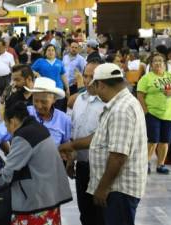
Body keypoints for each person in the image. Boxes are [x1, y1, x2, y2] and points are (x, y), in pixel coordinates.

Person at [87, 63, 148, 225]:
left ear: (101, 84)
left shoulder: (121, 109)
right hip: (117, 189)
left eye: (95, 86)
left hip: (119, 189)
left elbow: (118, 157)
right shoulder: (124, 103)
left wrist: (102, 188)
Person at [0, 101, 72, 225]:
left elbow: (8, 173)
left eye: (6, 125)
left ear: (13, 121)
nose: (8, 131)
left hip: (36, 204)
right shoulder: (37, 127)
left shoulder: (23, 136)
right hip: (49, 197)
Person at [59, 60, 106, 225]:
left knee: (101, 215)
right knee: (85, 214)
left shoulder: (108, 104)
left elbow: (100, 137)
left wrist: (71, 147)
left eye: (91, 77)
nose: (86, 80)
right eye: (85, 76)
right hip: (83, 167)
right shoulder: (79, 100)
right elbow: (74, 132)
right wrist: (71, 160)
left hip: (102, 169)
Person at [137, 53, 171, 174]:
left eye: (160, 61)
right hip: (152, 113)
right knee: (153, 140)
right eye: (155, 61)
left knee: (165, 141)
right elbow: (140, 95)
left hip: (169, 114)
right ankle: (145, 164)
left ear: (164, 64)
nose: (158, 63)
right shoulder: (146, 78)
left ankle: (160, 165)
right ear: (151, 64)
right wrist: (146, 112)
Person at [32, 44, 70, 112]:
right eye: (49, 50)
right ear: (45, 52)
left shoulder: (59, 62)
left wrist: (67, 88)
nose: (51, 52)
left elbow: (63, 75)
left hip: (58, 90)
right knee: (46, 110)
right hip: (45, 90)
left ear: (55, 52)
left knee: (58, 110)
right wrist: (36, 73)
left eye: (53, 50)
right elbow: (30, 70)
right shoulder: (40, 61)